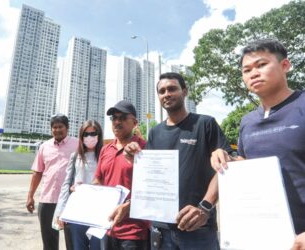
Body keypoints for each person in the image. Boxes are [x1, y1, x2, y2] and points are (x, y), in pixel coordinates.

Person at [210, 39, 305, 249]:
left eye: (261, 65)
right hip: (260, 237)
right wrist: (226, 159)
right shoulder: (247, 121)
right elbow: (246, 163)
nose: (253, 73)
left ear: (285, 65)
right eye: (247, 70)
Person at [125, 72, 231, 249]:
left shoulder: (206, 124)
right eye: (162, 91)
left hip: (199, 229)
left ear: (185, 92)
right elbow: (151, 176)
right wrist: (135, 159)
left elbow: (225, 168)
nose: (166, 94)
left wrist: (205, 207)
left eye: (172, 89)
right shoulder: (155, 132)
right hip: (161, 231)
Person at [93, 100, 149, 250]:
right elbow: (98, 179)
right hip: (107, 226)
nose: (117, 122)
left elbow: (152, 188)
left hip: (134, 231)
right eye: (114, 118)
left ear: (135, 122)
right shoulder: (105, 149)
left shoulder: (145, 148)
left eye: (123, 117)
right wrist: (86, 192)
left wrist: (129, 205)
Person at [26, 114, 78, 250]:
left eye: (60, 126)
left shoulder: (78, 145)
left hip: (70, 201)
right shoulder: (45, 146)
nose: (57, 130)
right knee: (49, 242)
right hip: (47, 200)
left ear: (67, 128)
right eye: (54, 127)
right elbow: (37, 172)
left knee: (72, 240)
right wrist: (30, 196)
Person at [54, 120, 103, 250]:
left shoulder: (105, 155)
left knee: (97, 246)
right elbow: (66, 184)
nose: (90, 137)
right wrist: (60, 211)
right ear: (81, 136)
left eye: (93, 133)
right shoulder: (75, 156)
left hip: (99, 211)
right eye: (86, 134)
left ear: (99, 134)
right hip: (78, 211)